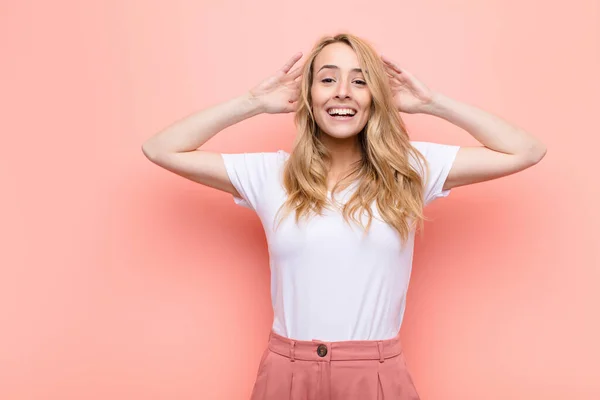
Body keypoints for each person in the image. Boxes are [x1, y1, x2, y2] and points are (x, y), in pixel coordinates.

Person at [142, 33, 546, 400]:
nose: (343, 93)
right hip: (287, 373)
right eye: (328, 79)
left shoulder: (410, 168)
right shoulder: (270, 174)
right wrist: (251, 103)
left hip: (375, 376)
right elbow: (161, 148)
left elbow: (525, 150)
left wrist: (432, 104)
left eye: (360, 80)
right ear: (309, 94)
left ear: (376, 95)